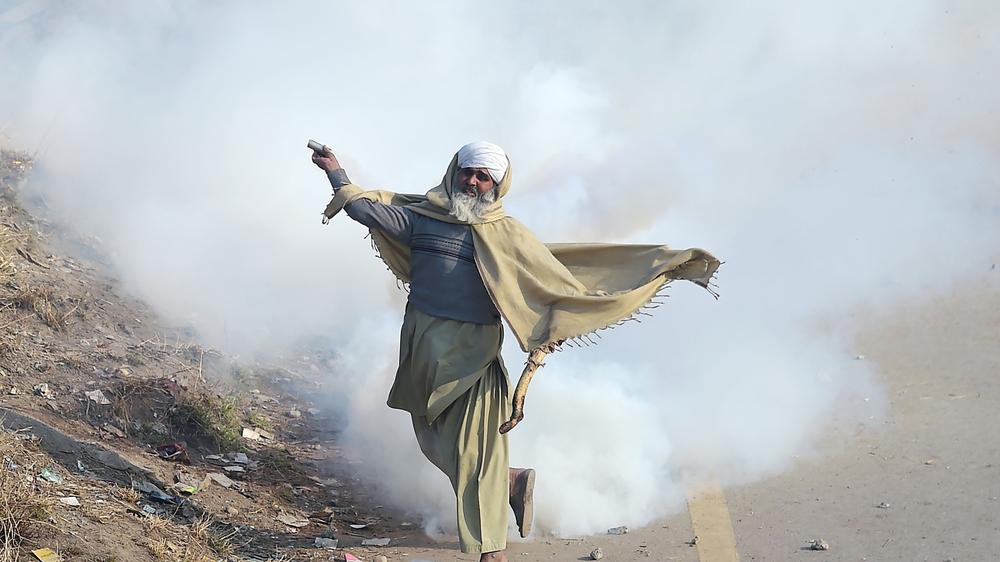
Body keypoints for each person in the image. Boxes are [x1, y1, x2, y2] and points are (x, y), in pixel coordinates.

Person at [313, 141, 720, 562]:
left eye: (483, 176)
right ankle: (510, 483)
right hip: (421, 344)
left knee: (475, 453)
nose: (472, 182)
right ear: (454, 172)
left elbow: (554, 283)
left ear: (497, 185)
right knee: (432, 442)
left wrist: (557, 324)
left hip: (473, 354)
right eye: (467, 172)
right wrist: (335, 171)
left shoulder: (508, 235)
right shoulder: (423, 218)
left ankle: (493, 550)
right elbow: (363, 210)